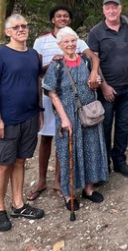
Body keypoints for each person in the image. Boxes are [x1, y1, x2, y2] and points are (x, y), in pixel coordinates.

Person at [28, 5, 99, 201]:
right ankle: (42, 180)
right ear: (52, 19)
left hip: (73, 98)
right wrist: (54, 64)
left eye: (66, 16)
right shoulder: (41, 41)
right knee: (47, 138)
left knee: (66, 135)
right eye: (58, 16)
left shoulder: (77, 40)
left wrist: (93, 73)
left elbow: (92, 57)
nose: (62, 18)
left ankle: (59, 181)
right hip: (49, 93)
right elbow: (34, 70)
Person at [0, 14, 46, 232]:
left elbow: (36, 82)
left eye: (24, 26)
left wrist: (40, 111)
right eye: (16, 26)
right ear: (8, 32)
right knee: (4, 163)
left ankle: (18, 204)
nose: (21, 29)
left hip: (30, 116)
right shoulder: (0, 55)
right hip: (8, 118)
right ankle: (0, 209)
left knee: (21, 160)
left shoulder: (33, 55)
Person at [42, 27, 109, 212]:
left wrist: (96, 80)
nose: (70, 44)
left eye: (73, 41)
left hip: (89, 113)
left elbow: (96, 80)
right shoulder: (57, 65)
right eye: (66, 42)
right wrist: (63, 118)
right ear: (59, 45)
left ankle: (89, 188)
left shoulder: (86, 60)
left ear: (77, 41)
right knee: (68, 154)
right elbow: (51, 92)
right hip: (68, 115)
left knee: (91, 149)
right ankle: (68, 194)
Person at [86, 0, 128, 177]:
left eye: (114, 7)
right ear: (103, 10)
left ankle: (120, 161)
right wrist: (104, 87)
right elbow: (94, 61)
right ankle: (104, 165)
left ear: (120, 9)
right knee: (106, 126)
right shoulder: (96, 32)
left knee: (124, 126)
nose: (111, 11)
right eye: (108, 8)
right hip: (108, 90)